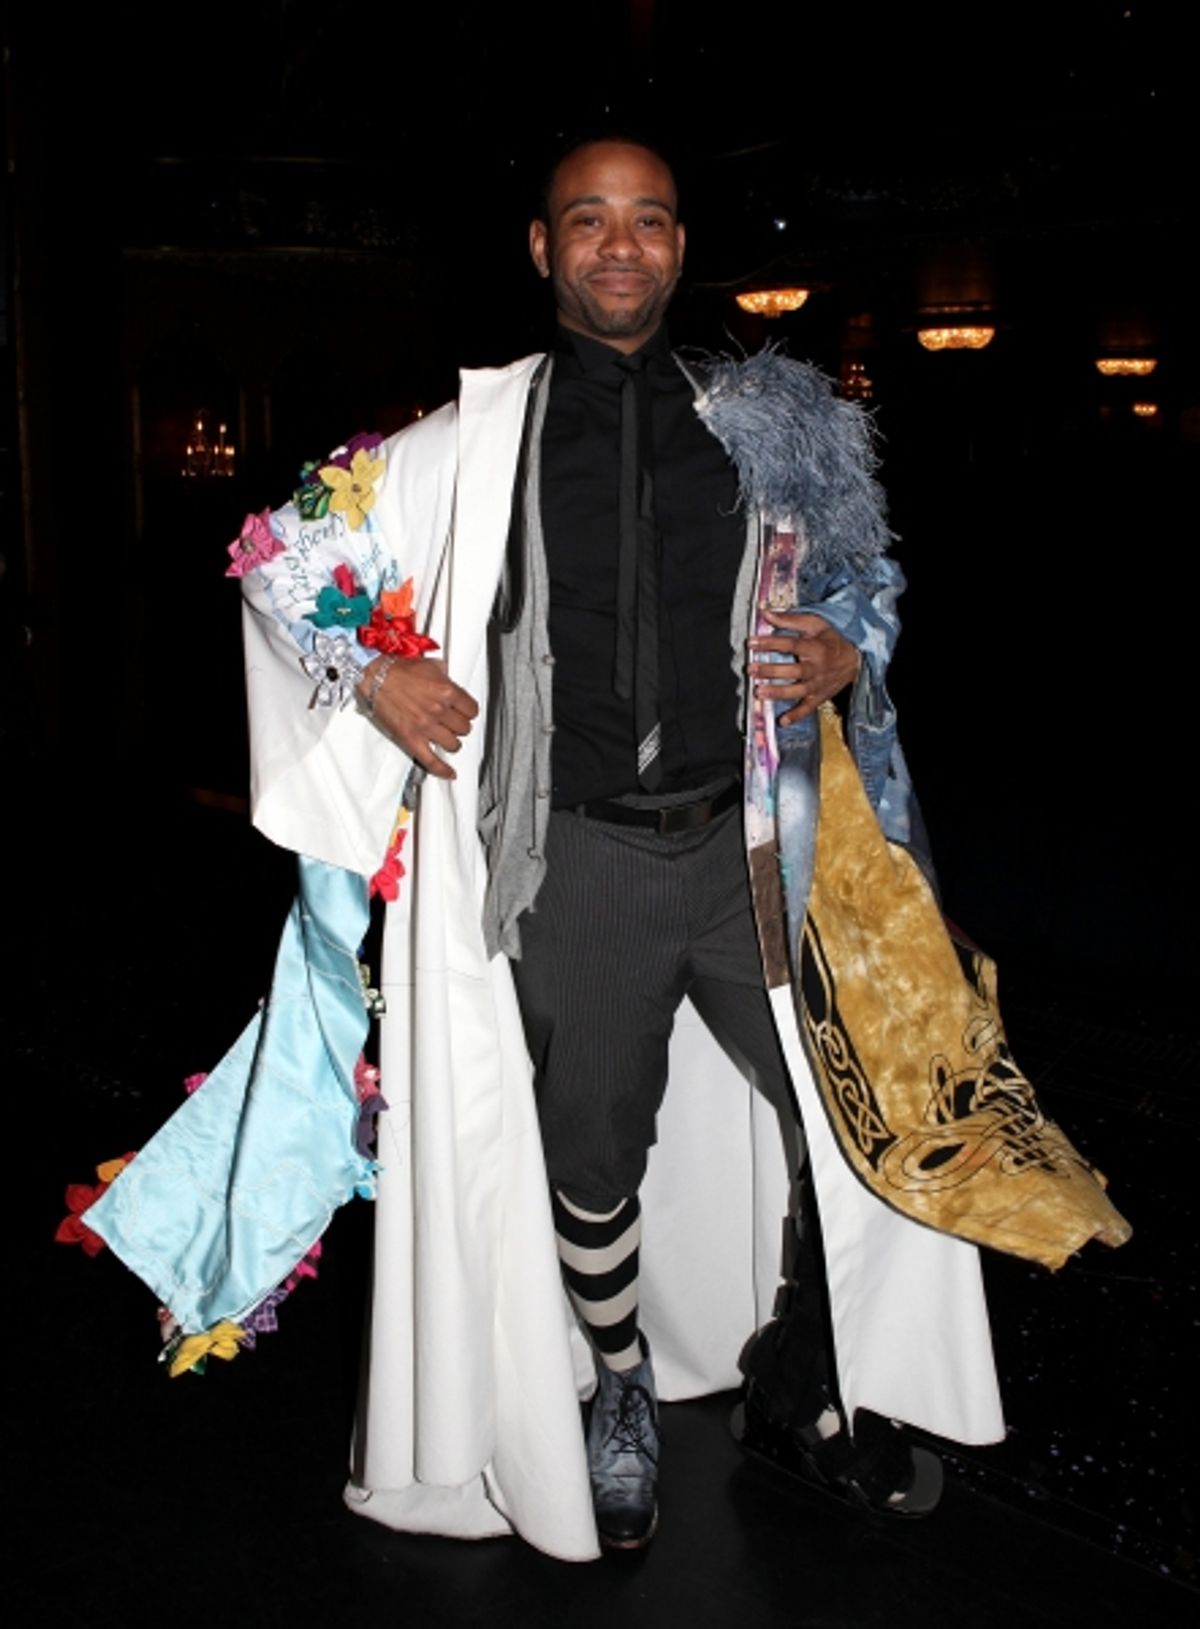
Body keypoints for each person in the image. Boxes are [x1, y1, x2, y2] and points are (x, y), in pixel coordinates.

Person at [82, 135, 1126, 1565]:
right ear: (542, 247)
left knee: (856, 1107)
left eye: (647, 221)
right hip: (576, 860)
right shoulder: (461, 437)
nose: (619, 245)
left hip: (761, 854)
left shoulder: (770, 422)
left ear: (682, 249)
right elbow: (277, 558)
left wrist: (842, 647)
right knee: (590, 1154)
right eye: (590, 221)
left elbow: (865, 577)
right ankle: (618, 1377)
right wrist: (370, 672)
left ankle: (803, 1373)